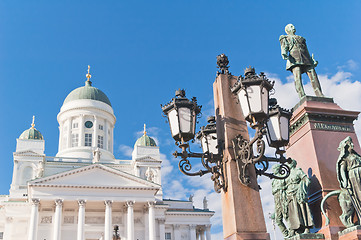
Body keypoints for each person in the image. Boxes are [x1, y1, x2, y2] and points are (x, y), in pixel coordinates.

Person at [279, 24, 324, 99]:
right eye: (291, 27)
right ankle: (301, 95)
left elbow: (306, 50)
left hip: (306, 58)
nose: (293, 28)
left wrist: (312, 61)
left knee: (313, 75)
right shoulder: (285, 38)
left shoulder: (301, 38)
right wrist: (284, 53)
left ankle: (319, 94)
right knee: (297, 77)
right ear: (287, 30)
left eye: (293, 26)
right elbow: (284, 47)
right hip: (294, 58)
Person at [285, 159, 314, 236]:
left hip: (298, 194)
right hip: (290, 196)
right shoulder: (287, 175)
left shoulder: (298, 171)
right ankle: (297, 229)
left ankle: (306, 228)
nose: (288, 164)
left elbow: (307, 181)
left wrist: (302, 190)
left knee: (303, 211)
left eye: (290, 163)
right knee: (293, 213)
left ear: (293, 164)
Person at [336, 136, 361, 219]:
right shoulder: (345, 158)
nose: (352, 145)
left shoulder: (356, 155)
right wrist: (345, 181)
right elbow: (342, 170)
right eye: (350, 144)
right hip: (355, 176)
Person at [271, 164, 289, 237]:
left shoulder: (283, 177)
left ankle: (292, 231)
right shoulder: (274, 181)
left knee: (287, 216)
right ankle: (286, 234)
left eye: (274, 169)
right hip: (276, 199)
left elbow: (287, 186)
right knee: (278, 220)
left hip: (283, 197)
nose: (273, 171)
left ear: (277, 169)